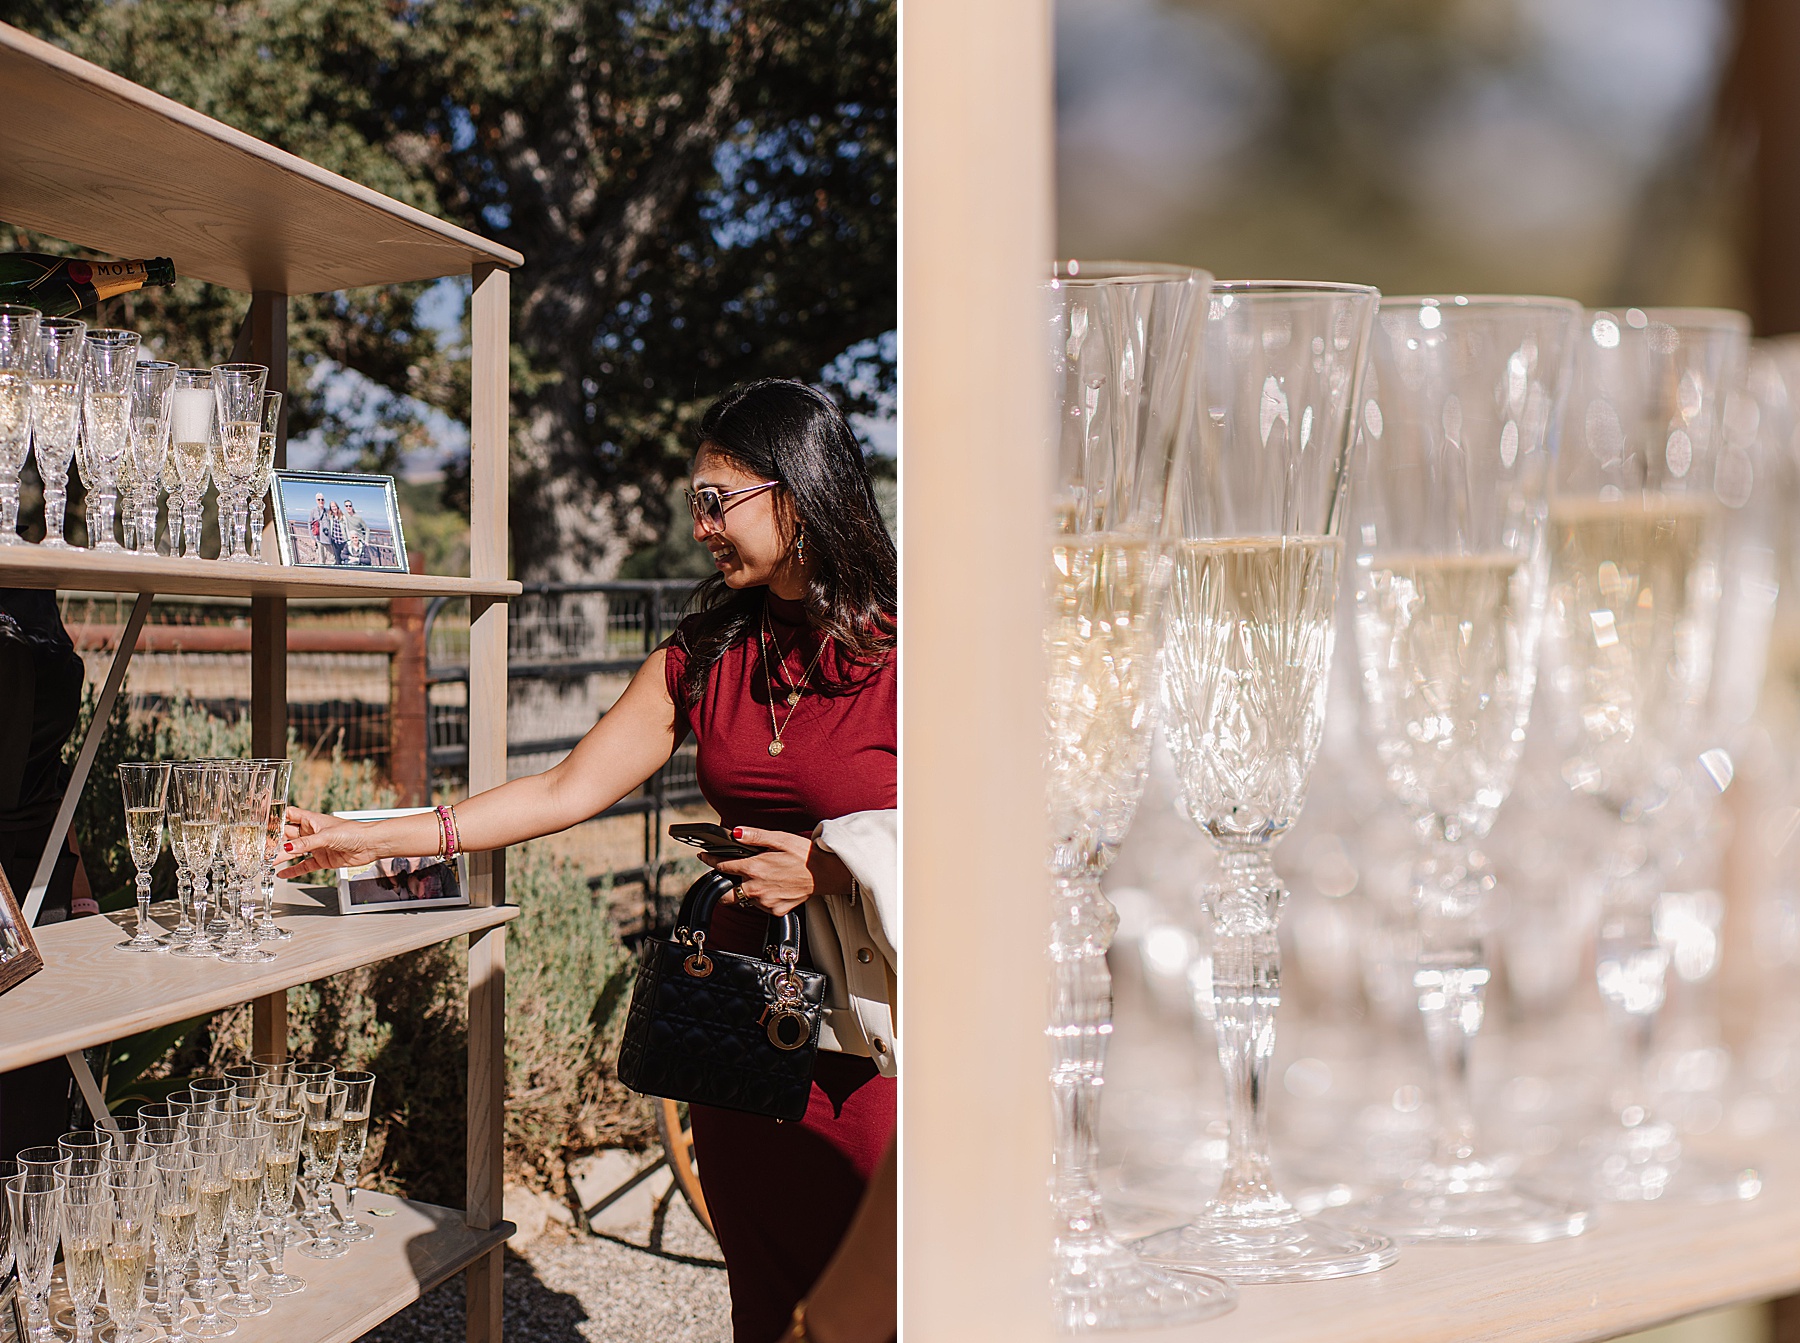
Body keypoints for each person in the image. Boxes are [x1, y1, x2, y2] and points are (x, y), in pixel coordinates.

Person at [279, 379, 897, 1343]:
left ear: (797, 490)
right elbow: (565, 790)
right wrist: (370, 835)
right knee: (768, 1296)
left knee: (888, 1303)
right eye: (694, 502)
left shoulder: (915, 653)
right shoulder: (705, 651)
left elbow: (998, 833)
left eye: (717, 500)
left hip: (877, 1052)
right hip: (740, 1028)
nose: (701, 527)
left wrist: (833, 869)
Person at [0, 589, 97, 1162]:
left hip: (41, 883)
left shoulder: (31, 571)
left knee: (31, 1134)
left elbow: (55, 768)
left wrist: (80, 897)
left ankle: (34, 1253)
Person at [310, 492, 339, 564]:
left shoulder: (328, 511)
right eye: (319, 499)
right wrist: (312, 538)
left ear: (324, 500)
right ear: (316, 501)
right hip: (319, 539)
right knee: (321, 560)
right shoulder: (313, 511)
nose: (321, 501)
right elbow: (309, 524)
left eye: (322, 499)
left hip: (328, 539)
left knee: (332, 559)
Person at [340, 499, 370, 565]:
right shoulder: (344, 516)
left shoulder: (358, 517)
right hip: (351, 541)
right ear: (345, 507)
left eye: (350, 506)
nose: (348, 507)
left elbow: (367, 529)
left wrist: (366, 541)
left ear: (352, 506)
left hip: (360, 541)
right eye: (346, 506)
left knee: (363, 561)